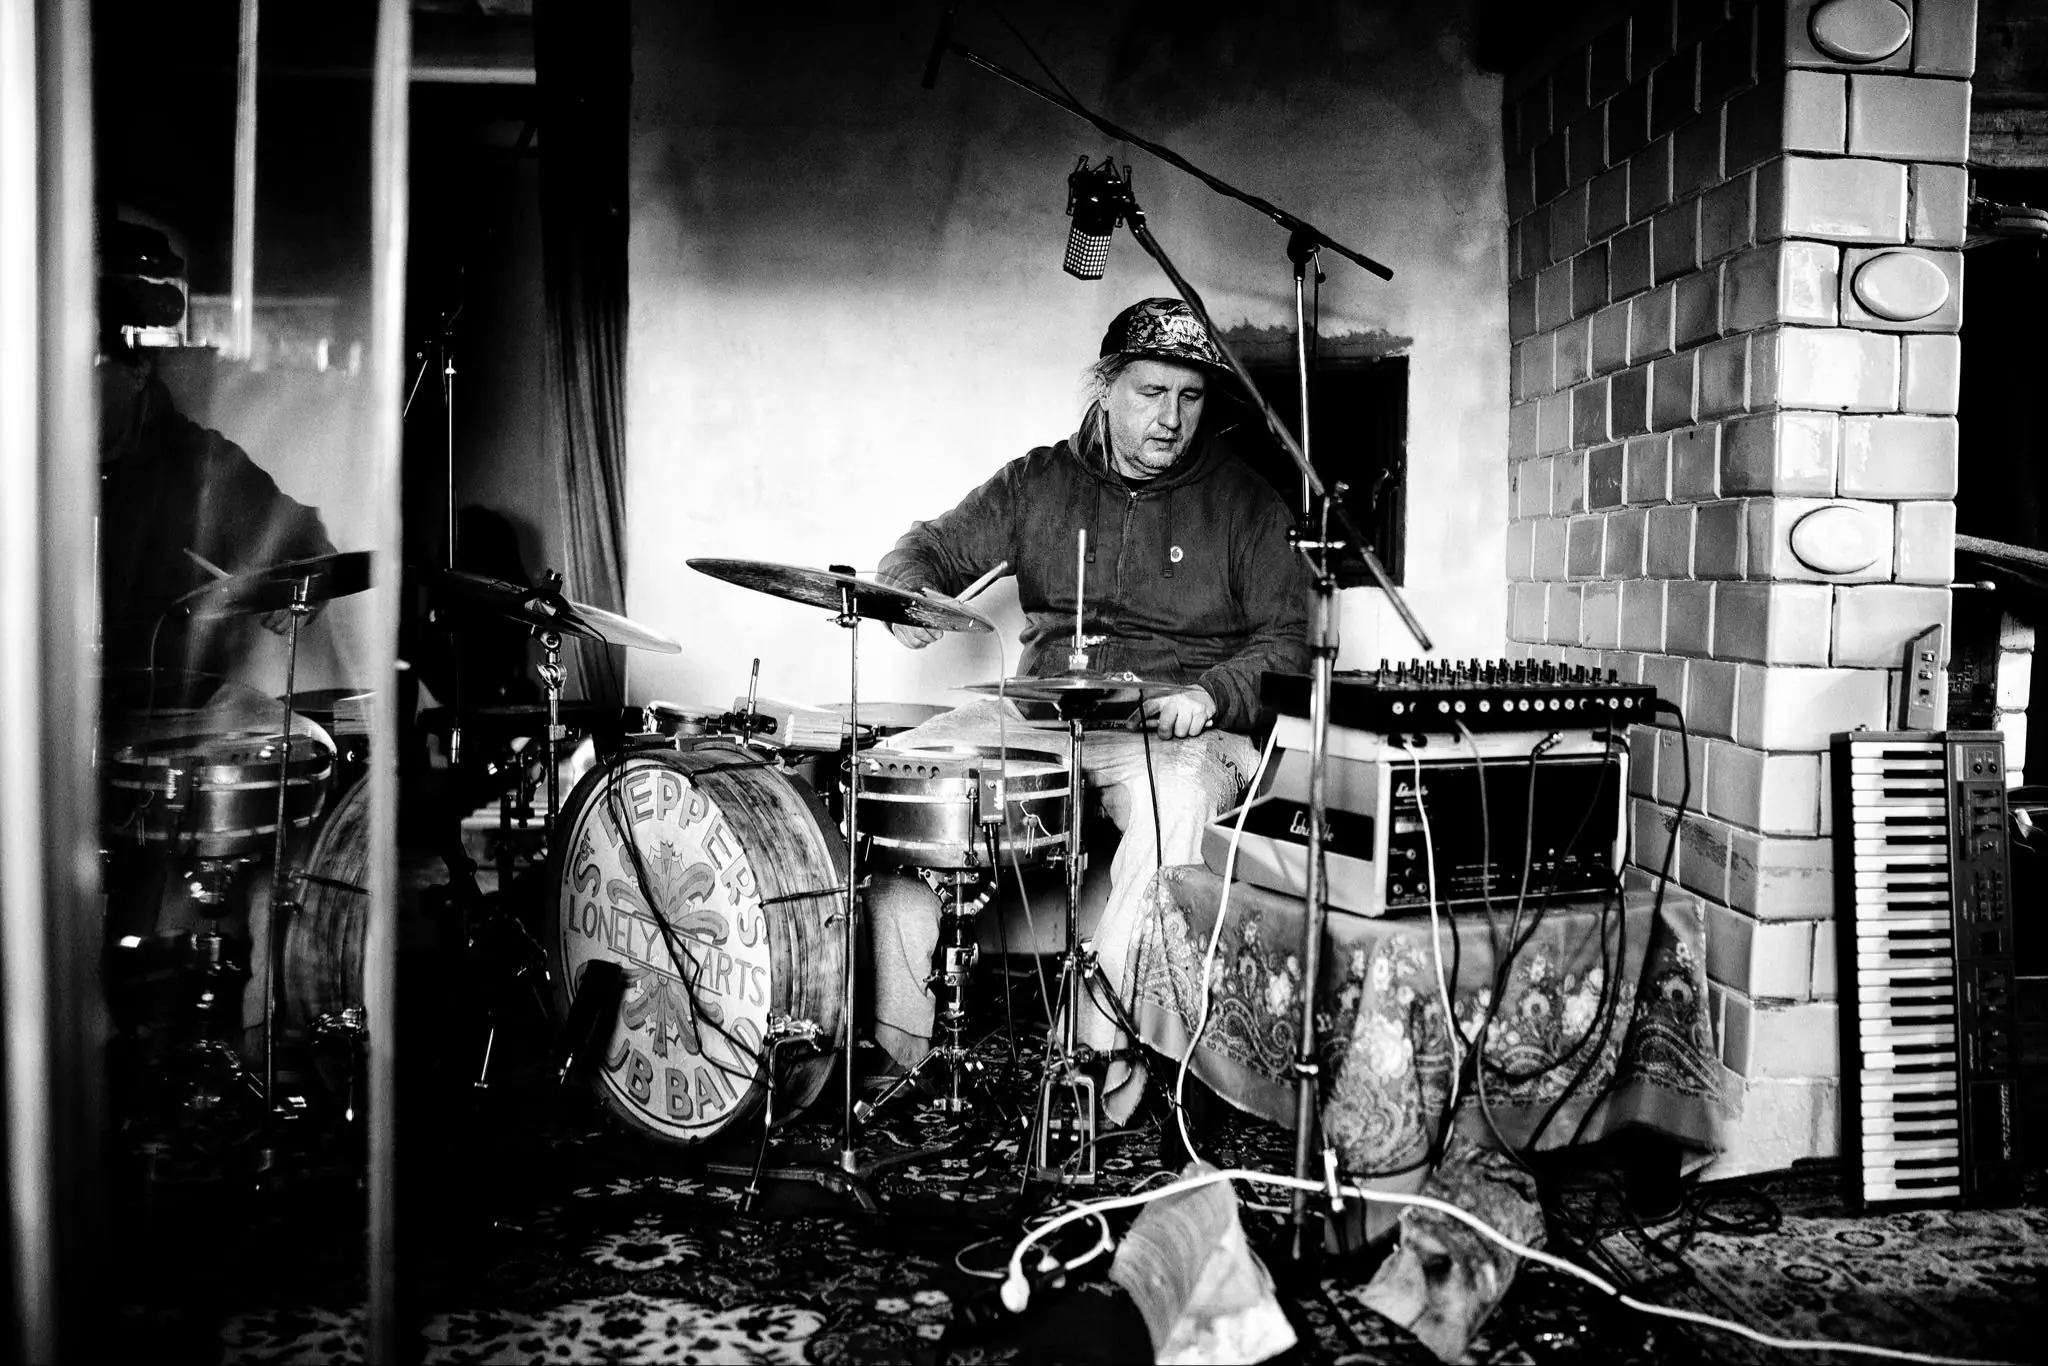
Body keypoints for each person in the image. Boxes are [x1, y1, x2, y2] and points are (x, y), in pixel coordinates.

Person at [870, 296, 1310, 1119]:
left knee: (1174, 806)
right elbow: (927, 543)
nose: (1172, 418)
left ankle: (1100, 1044)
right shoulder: (1037, 481)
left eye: (1191, 397)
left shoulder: (1248, 502)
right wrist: (905, 595)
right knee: (901, 783)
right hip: (1041, 718)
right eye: (1151, 393)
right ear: (1104, 388)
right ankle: (904, 1050)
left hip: (1178, 728)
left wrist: (1210, 694)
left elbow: (1288, 639)